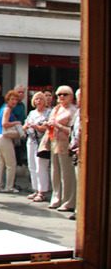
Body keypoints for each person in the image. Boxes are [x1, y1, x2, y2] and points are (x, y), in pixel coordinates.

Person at [47, 85, 77, 212]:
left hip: (66, 145)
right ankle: (56, 197)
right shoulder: (56, 109)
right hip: (54, 142)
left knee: (66, 174)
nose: (61, 97)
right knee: (55, 172)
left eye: (64, 94)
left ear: (71, 96)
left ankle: (68, 200)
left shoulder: (73, 111)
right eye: (59, 94)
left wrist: (57, 125)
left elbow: (72, 131)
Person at [23, 91, 51, 202]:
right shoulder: (31, 113)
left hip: (42, 142)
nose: (38, 101)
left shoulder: (48, 112)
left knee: (41, 166)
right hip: (31, 140)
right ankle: (35, 189)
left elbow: (46, 127)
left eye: (40, 98)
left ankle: (42, 191)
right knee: (32, 166)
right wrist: (25, 126)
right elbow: (25, 124)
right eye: (36, 99)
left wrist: (36, 126)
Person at [0, 90, 22, 193]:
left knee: (0, 164)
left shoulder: (3, 108)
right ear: (8, 99)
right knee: (11, 164)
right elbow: (5, 123)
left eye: (16, 99)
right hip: (4, 138)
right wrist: (16, 122)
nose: (14, 101)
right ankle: (9, 187)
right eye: (12, 99)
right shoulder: (7, 109)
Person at [69, 88, 82, 220]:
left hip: (81, 151)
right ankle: (78, 209)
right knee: (78, 181)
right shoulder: (78, 112)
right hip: (75, 149)